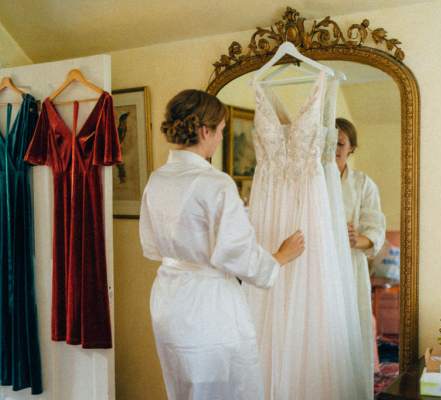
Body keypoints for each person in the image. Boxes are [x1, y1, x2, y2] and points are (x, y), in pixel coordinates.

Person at [139, 89, 304, 400]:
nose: (220, 138)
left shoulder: (157, 179)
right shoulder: (216, 183)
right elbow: (237, 254)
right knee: (225, 387)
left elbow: (152, 244)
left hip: (168, 298)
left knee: (184, 387)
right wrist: (280, 256)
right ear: (205, 131)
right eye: (221, 131)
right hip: (208, 303)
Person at [335, 117, 386, 375]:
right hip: (319, 263)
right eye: (329, 142)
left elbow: (375, 229)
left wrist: (357, 240)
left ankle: (351, 379)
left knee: (351, 320)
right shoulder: (313, 183)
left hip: (351, 264)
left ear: (352, 147)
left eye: (340, 143)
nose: (334, 149)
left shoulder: (363, 184)